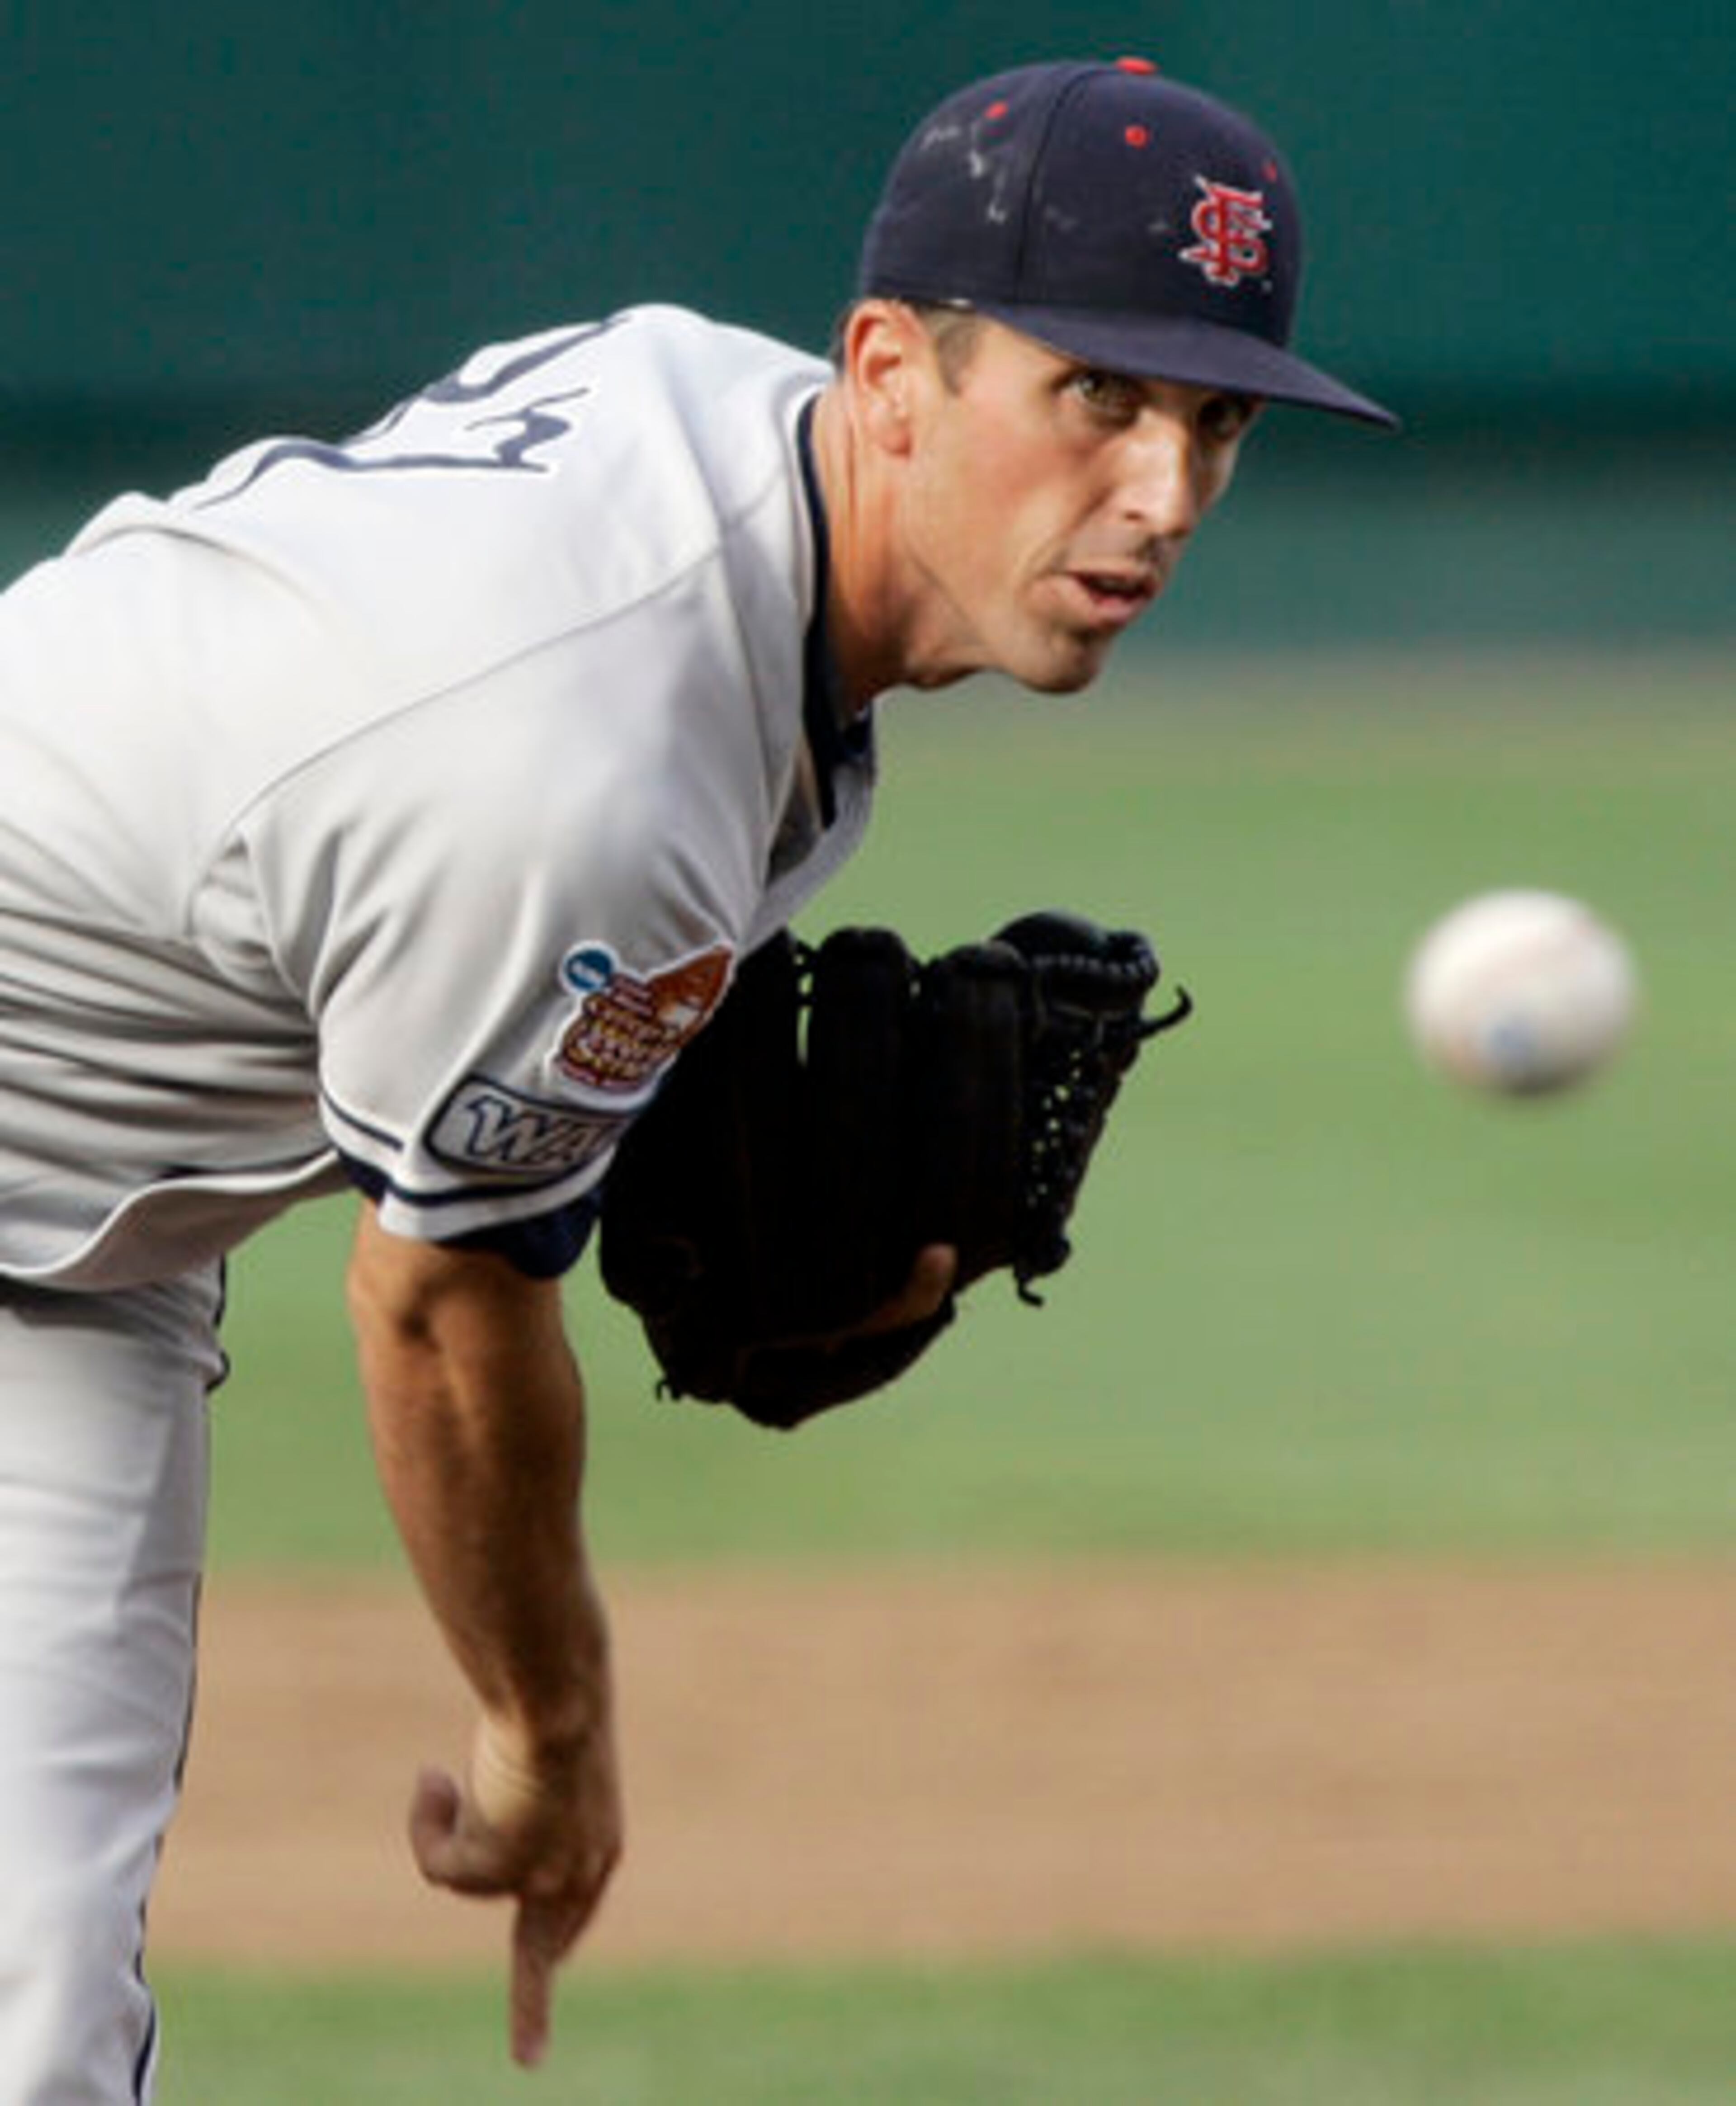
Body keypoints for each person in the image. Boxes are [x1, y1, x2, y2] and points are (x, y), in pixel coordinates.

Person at [0, 55, 1393, 2096]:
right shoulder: (591, 761)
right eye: (1099, 398)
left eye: (1219, 422)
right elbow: (444, 1307)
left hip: (78, 1253)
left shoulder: (707, 421)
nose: (1166, 494)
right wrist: (548, 1733)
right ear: (894, 367)